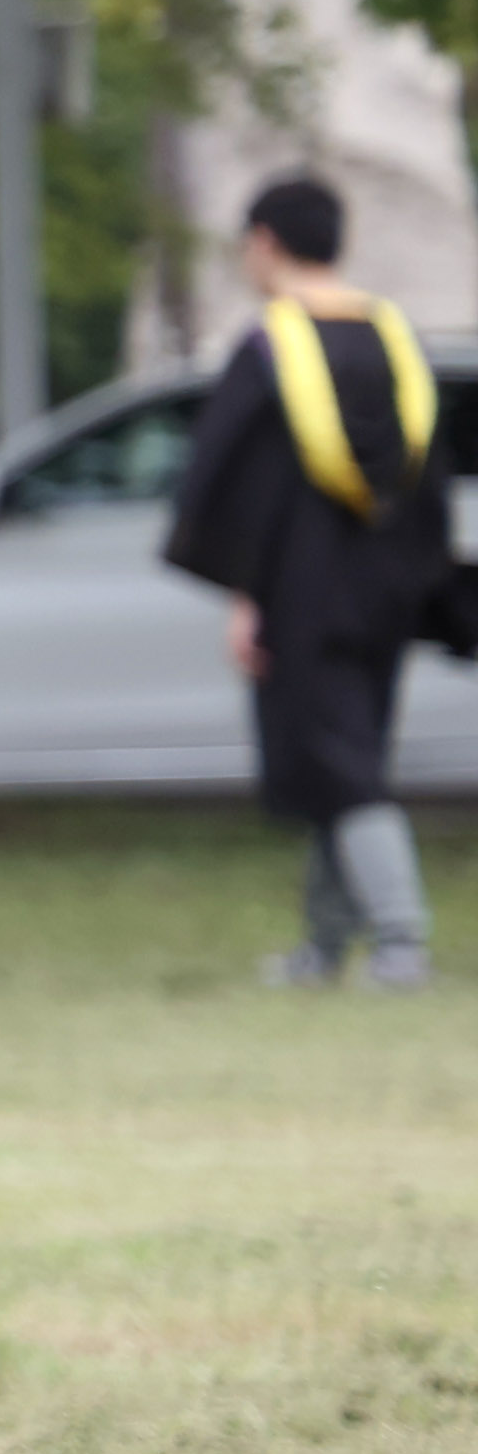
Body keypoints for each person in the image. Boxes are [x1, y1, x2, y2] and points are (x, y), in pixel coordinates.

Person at [167, 176, 447, 990]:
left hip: (303, 590)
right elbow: (427, 482)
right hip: (385, 588)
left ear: (264, 241)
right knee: (346, 757)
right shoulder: (395, 341)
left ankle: (400, 942)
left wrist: (246, 594)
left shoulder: (271, 349)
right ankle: (324, 949)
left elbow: (238, 490)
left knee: (343, 768)